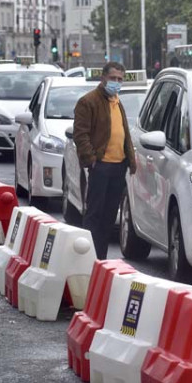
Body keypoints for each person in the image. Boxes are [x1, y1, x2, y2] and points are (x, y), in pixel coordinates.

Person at [72, 61, 137, 258]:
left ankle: (101, 260)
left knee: (109, 218)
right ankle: (88, 259)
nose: (116, 83)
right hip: (100, 167)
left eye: (120, 79)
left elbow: (124, 133)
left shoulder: (117, 102)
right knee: (94, 216)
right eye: (113, 78)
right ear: (103, 78)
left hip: (118, 167)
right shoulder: (88, 101)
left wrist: (131, 160)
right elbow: (80, 135)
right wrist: (91, 160)